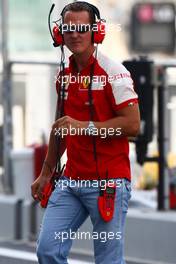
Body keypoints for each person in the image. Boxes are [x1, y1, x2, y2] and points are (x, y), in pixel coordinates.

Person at [31, 1, 140, 264]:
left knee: (108, 261)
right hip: (71, 181)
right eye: (69, 28)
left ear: (96, 32)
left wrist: (85, 127)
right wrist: (46, 174)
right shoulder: (64, 77)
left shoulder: (115, 73)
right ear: (60, 34)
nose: (75, 34)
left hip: (108, 182)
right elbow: (60, 129)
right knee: (47, 250)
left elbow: (133, 126)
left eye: (82, 28)